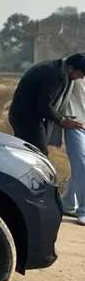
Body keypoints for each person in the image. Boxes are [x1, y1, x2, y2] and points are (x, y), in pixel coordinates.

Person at [8, 53, 85, 155]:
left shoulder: (56, 68)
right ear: (71, 68)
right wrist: (62, 120)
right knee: (38, 154)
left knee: (27, 152)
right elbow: (44, 106)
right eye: (80, 74)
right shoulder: (54, 76)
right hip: (26, 117)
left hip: (25, 114)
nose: (81, 78)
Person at [60, 77, 85, 224]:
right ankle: (84, 211)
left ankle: (68, 203)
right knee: (82, 165)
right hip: (75, 124)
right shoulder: (77, 71)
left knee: (79, 167)